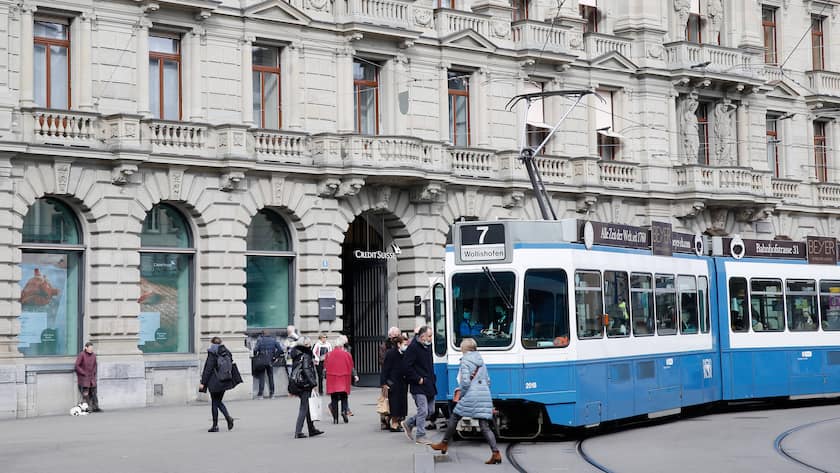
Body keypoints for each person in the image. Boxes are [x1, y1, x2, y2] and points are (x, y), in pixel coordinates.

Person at [430, 338, 501, 464]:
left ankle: (444, 443)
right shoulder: (481, 361)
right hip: (484, 394)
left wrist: (461, 394)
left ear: (464, 349)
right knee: (484, 425)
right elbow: (488, 380)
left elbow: (466, 382)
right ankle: (496, 453)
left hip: (471, 394)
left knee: (455, 416)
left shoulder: (465, 361)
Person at [401, 325, 437, 444]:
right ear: (422, 337)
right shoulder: (413, 348)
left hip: (429, 383)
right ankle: (421, 435)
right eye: (429, 336)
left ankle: (409, 423)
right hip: (419, 385)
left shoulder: (428, 346)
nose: (431, 338)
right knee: (423, 410)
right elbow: (406, 367)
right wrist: (418, 379)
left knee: (430, 410)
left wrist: (432, 379)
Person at [288, 337, 324, 439]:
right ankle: (298, 431)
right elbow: (307, 369)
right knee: (304, 407)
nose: (310, 346)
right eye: (308, 344)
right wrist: (314, 383)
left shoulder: (296, 354)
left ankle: (311, 429)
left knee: (307, 406)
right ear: (305, 345)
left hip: (297, 383)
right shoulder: (305, 355)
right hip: (305, 384)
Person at [199, 336, 235, 432]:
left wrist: (203, 383)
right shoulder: (226, 352)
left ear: (212, 343)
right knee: (217, 401)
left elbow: (208, 369)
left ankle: (217, 424)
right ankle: (227, 419)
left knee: (215, 402)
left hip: (214, 381)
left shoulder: (212, 353)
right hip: (225, 380)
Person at [324, 335, 356, 424]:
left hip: (332, 378)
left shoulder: (329, 354)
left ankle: (335, 418)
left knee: (334, 398)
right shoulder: (347, 354)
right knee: (344, 397)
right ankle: (343, 411)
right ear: (342, 346)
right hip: (344, 378)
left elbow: (325, 366)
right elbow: (351, 366)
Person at [380, 334, 408, 432]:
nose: (406, 345)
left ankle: (398, 422)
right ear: (399, 344)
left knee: (402, 404)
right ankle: (394, 424)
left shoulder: (404, 354)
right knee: (395, 404)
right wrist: (384, 383)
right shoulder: (391, 353)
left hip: (403, 383)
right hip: (393, 383)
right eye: (404, 344)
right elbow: (385, 369)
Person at [252, 330, 283, 399]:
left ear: (262, 334)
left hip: (262, 360)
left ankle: (260, 394)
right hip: (270, 360)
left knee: (262, 377)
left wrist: (256, 356)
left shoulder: (260, 340)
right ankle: (272, 394)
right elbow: (280, 350)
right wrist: (275, 356)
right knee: (270, 377)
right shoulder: (273, 340)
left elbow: (255, 350)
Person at [74, 341, 100, 412]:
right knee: (86, 394)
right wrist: (83, 373)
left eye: (92, 348)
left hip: (91, 378)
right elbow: (77, 366)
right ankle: (87, 408)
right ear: (86, 348)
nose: (91, 350)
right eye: (90, 348)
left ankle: (95, 407)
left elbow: (95, 365)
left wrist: (94, 372)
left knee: (94, 393)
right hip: (84, 378)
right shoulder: (82, 355)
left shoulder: (94, 355)